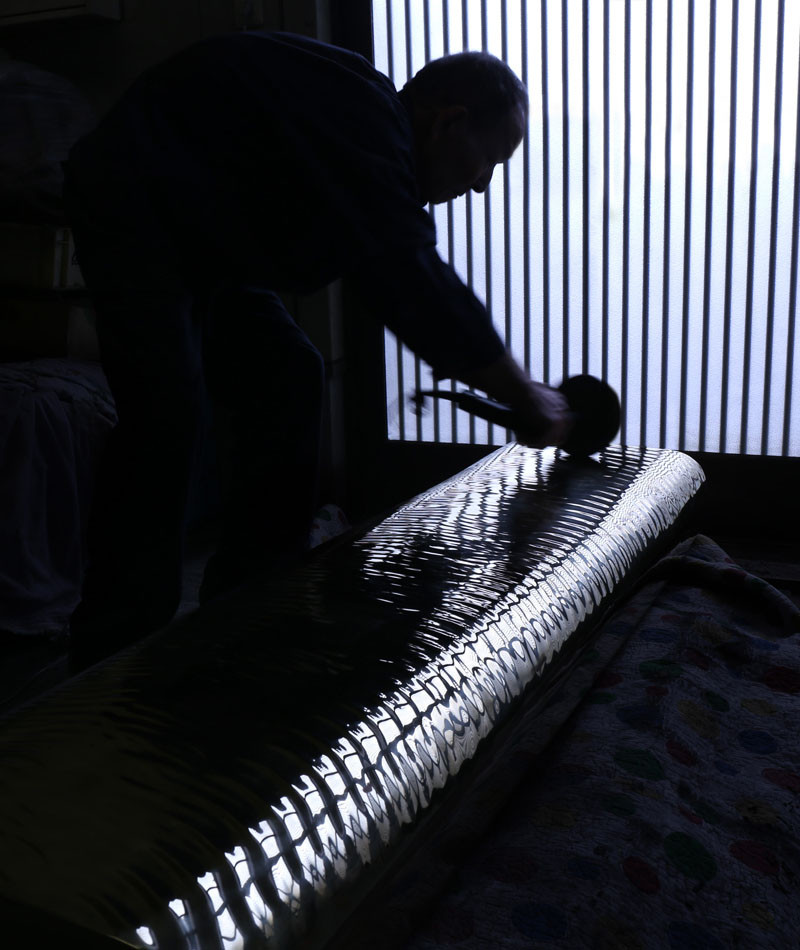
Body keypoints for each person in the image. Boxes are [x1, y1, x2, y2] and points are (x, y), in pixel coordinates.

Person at [63, 30, 571, 671]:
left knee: (290, 373)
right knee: (166, 410)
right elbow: (403, 275)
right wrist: (520, 390)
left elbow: (383, 263)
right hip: (134, 205)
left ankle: (247, 604)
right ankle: (115, 647)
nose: (481, 187)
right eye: (489, 162)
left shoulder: (363, 133)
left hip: (204, 242)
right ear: (450, 121)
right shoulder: (360, 113)